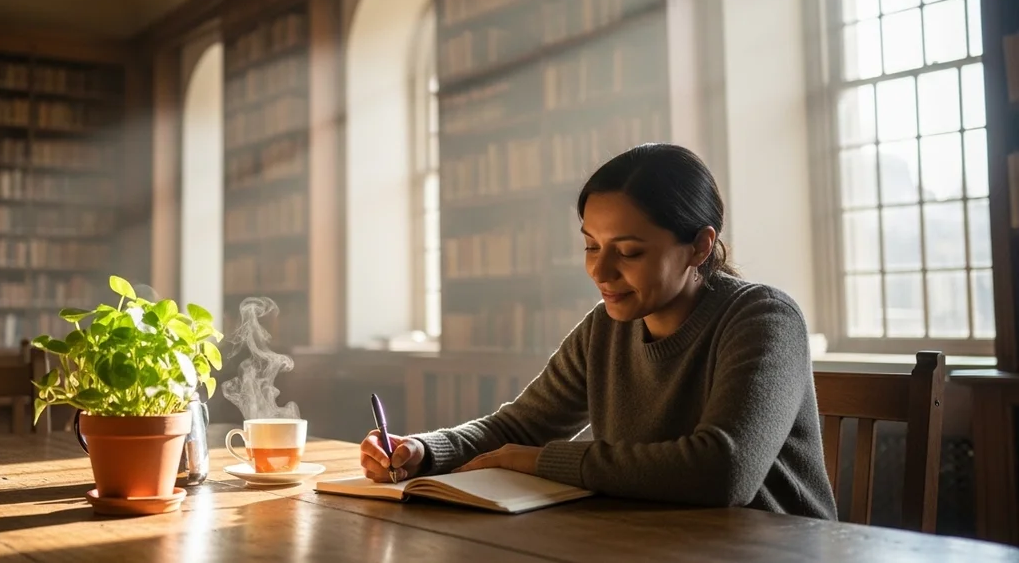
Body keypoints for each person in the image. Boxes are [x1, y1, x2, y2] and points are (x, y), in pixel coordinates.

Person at [359, 143, 838, 520]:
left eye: (628, 252)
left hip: (775, 548)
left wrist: (537, 460)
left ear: (698, 246)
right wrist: (423, 449)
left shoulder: (763, 318)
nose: (601, 272)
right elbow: (518, 427)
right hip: (656, 542)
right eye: (591, 246)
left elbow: (723, 471)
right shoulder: (606, 328)